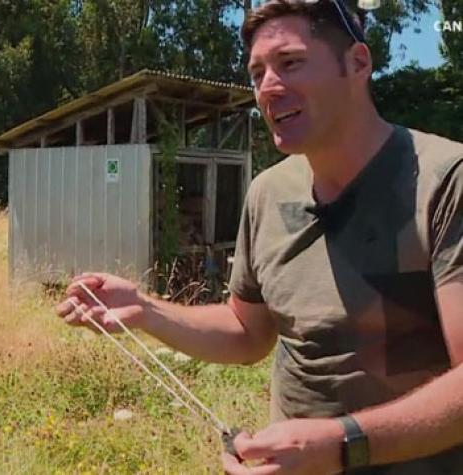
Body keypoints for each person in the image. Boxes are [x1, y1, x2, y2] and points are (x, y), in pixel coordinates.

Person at [55, 0, 463, 473]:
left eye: (290, 63)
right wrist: (146, 310)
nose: (268, 88)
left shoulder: (443, 181)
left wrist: (341, 444)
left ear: (357, 63)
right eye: (256, 73)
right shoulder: (268, 193)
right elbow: (248, 332)